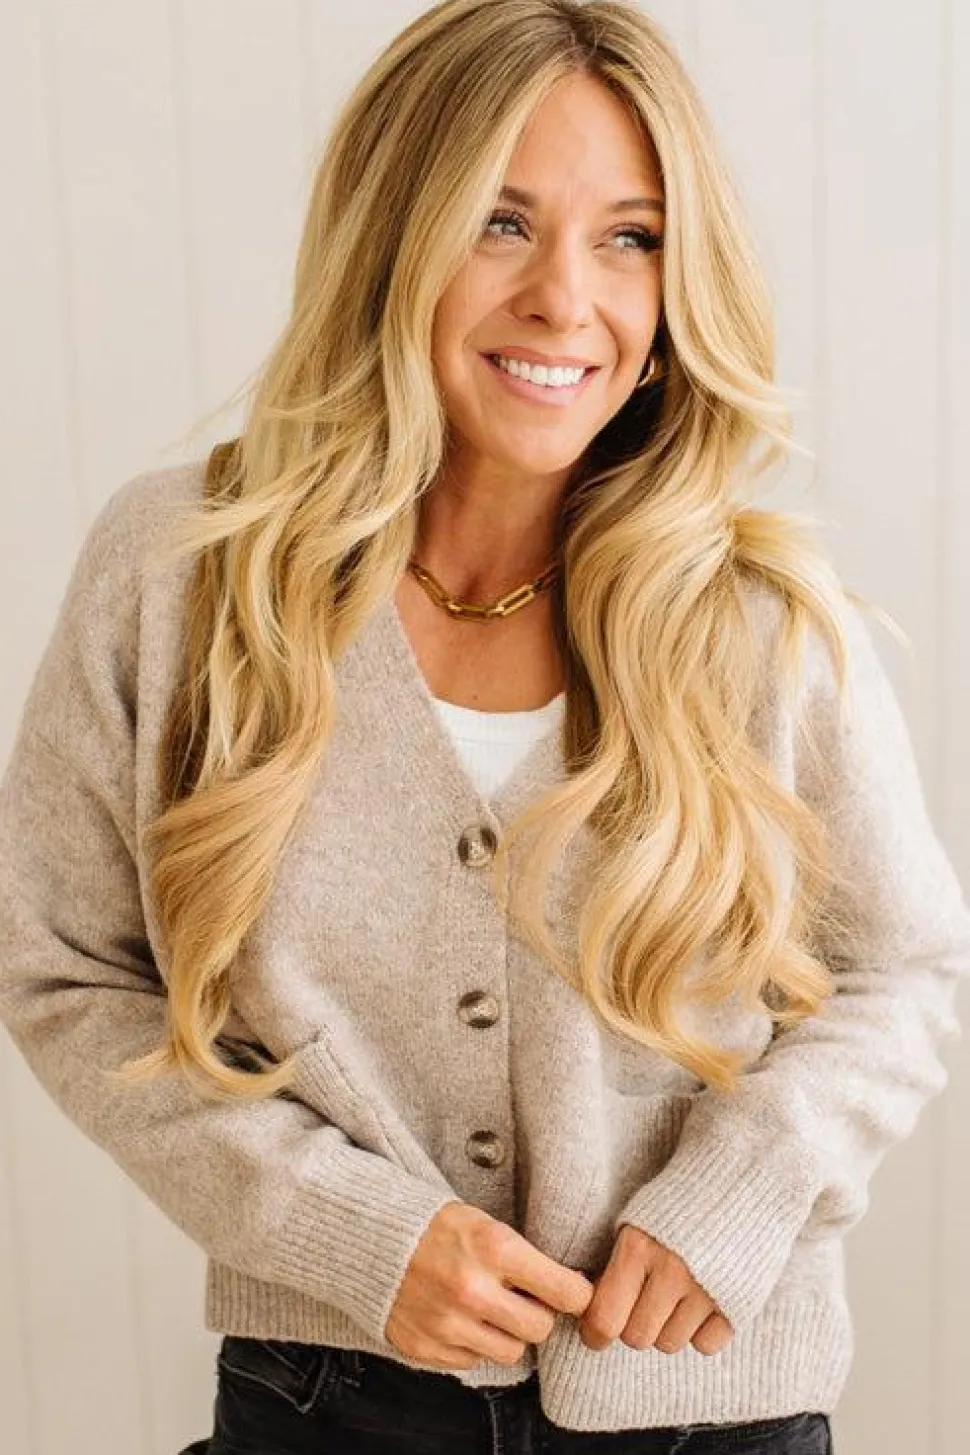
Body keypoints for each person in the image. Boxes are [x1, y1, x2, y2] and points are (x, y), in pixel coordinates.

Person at [1, 0, 968, 1451]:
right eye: (499, 223)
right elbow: (66, 966)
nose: (565, 299)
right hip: (323, 1402)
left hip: (710, 1402)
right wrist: (343, 1228)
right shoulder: (184, 574)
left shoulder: (759, 616)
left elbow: (898, 968)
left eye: (630, 236)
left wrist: (741, 1192)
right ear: (390, 237)